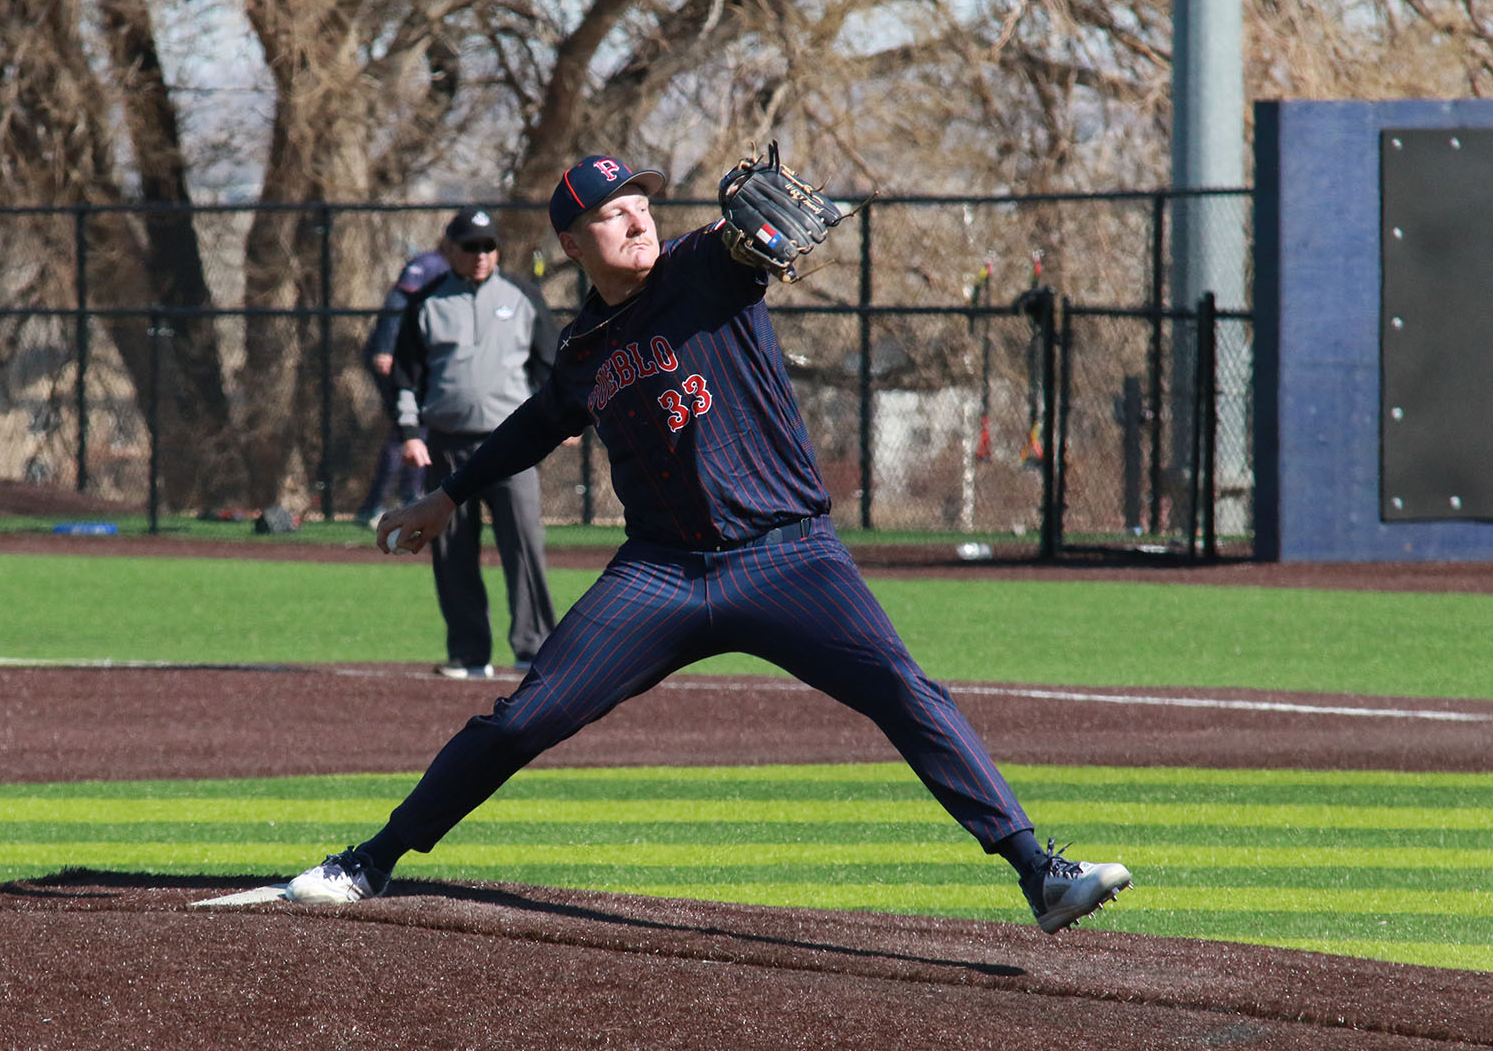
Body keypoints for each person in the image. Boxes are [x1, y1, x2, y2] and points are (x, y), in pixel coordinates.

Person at [288, 154, 1133, 934]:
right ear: (572, 244)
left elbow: (748, 247)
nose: (637, 220)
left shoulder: (704, 268)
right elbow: (536, 426)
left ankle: (1039, 873)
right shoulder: (584, 350)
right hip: (659, 573)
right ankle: (372, 860)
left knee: (903, 689)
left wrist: (748, 233)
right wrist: (446, 496)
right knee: (522, 721)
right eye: (613, 213)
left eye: (642, 204)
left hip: (787, 556)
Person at [389, 206, 560, 679]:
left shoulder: (523, 295)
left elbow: (551, 366)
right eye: (471, 247)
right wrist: (409, 435)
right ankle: (468, 653)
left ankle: (534, 649)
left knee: (524, 545)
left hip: (513, 445)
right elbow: (406, 377)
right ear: (451, 250)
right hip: (445, 444)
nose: (481, 255)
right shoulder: (426, 302)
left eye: (489, 246)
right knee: (451, 550)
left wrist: (555, 422)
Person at [352, 248, 445, 527]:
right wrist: (385, 347)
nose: (478, 254)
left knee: (416, 429)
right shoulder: (430, 264)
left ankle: (405, 498)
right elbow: (397, 302)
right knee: (405, 431)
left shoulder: (459, 273)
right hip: (395, 357)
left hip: (418, 360)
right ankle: (380, 505)